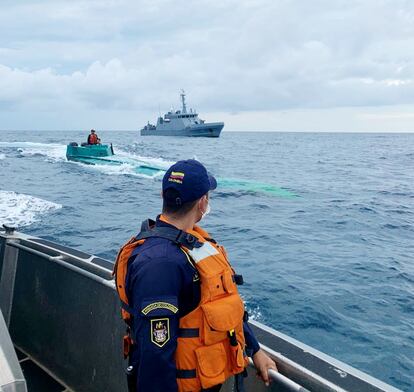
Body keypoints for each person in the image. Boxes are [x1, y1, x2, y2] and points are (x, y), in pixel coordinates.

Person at [114, 159, 277, 392]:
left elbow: (222, 307)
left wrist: (255, 349)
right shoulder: (160, 264)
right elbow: (156, 356)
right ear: (203, 203)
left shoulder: (194, 245)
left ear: (163, 195)